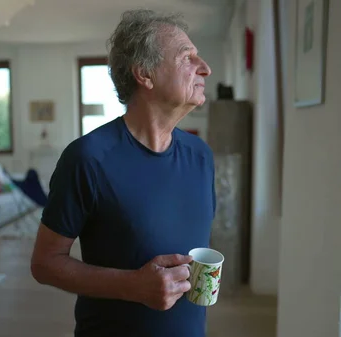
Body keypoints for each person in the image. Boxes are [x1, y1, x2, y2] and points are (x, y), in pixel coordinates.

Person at [31, 9, 215, 337]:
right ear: (145, 74)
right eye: (187, 57)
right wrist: (133, 286)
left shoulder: (201, 156)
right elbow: (44, 264)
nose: (205, 68)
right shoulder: (87, 159)